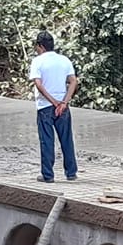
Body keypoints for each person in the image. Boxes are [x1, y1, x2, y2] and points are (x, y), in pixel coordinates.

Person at [28, 32, 78, 183]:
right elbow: (73, 81)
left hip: (45, 106)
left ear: (40, 46)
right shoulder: (64, 60)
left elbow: (38, 84)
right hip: (63, 106)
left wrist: (53, 101)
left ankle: (48, 175)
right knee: (67, 139)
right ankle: (71, 172)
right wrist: (64, 102)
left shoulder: (37, 61)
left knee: (47, 140)